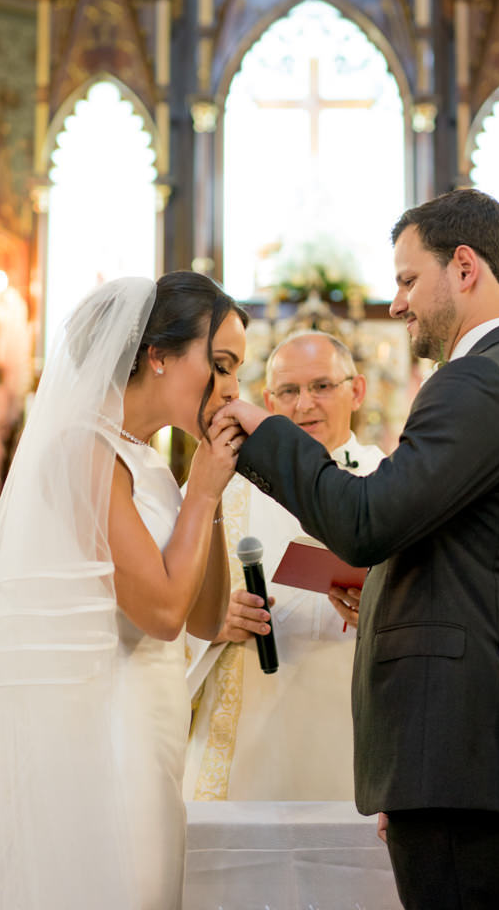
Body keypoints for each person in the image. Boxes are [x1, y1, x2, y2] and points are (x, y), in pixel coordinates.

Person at [219, 189, 499, 910]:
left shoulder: (477, 381)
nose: (397, 303)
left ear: (466, 268)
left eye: (409, 279)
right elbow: (462, 560)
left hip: (466, 754)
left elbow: (364, 521)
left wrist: (261, 432)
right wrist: (385, 589)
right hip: (469, 753)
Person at [0, 272, 247, 910]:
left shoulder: (154, 466)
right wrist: (208, 488)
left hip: (152, 731)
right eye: (220, 364)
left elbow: (205, 615)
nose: (233, 389)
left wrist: (205, 494)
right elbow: (161, 612)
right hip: (103, 734)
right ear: (157, 355)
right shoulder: (82, 451)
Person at [184, 331, 383, 801]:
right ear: (269, 402)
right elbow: (158, 601)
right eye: (288, 392)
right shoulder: (222, 489)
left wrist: (382, 610)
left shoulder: (393, 485)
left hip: (357, 737)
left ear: (356, 391)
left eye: (321, 386)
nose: (304, 405)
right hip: (252, 744)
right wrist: (211, 623)